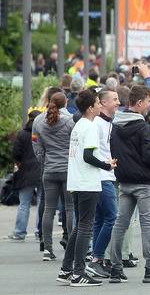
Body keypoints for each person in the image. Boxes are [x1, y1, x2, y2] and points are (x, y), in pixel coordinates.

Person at [108, 85, 150, 284]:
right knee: (147, 226)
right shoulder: (143, 127)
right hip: (145, 182)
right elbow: (149, 157)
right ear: (140, 103)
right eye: (149, 101)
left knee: (120, 224)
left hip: (125, 180)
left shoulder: (116, 124)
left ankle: (115, 268)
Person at [59, 89, 117, 287]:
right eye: (98, 103)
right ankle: (78, 272)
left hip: (76, 180)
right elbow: (88, 156)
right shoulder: (90, 127)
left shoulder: (79, 125)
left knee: (79, 226)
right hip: (87, 182)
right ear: (91, 107)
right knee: (86, 227)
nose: (101, 106)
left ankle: (67, 269)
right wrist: (107, 165)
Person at [34, 91, 75, 262]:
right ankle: (72, 248)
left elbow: (36, 147)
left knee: (49, 210)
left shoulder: (38, 121)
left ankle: (47, 249)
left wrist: (45, 162)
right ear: (66, 103)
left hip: (49, 169)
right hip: (68, 169)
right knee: (70, 208)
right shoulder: (71, 121)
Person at [86, 90, 122, 279]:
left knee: (100, 219)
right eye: (115, 100)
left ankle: (95, 259)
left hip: (107, 174)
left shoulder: (110, 122)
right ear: (104, 103)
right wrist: (105, 165)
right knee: (112, 217)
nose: (118, 102)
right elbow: (90, 154)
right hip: (101, 177)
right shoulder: (97, 124)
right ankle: (96, 259)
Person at [8, 110, 42, 241]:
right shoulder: (43, 132)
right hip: (41, 171)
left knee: (24, 204)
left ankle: (19, 232)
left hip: (25, 172)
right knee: (41, 203)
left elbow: (16, 153)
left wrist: (20, 163)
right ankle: (40, 232)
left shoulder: (22, 134)